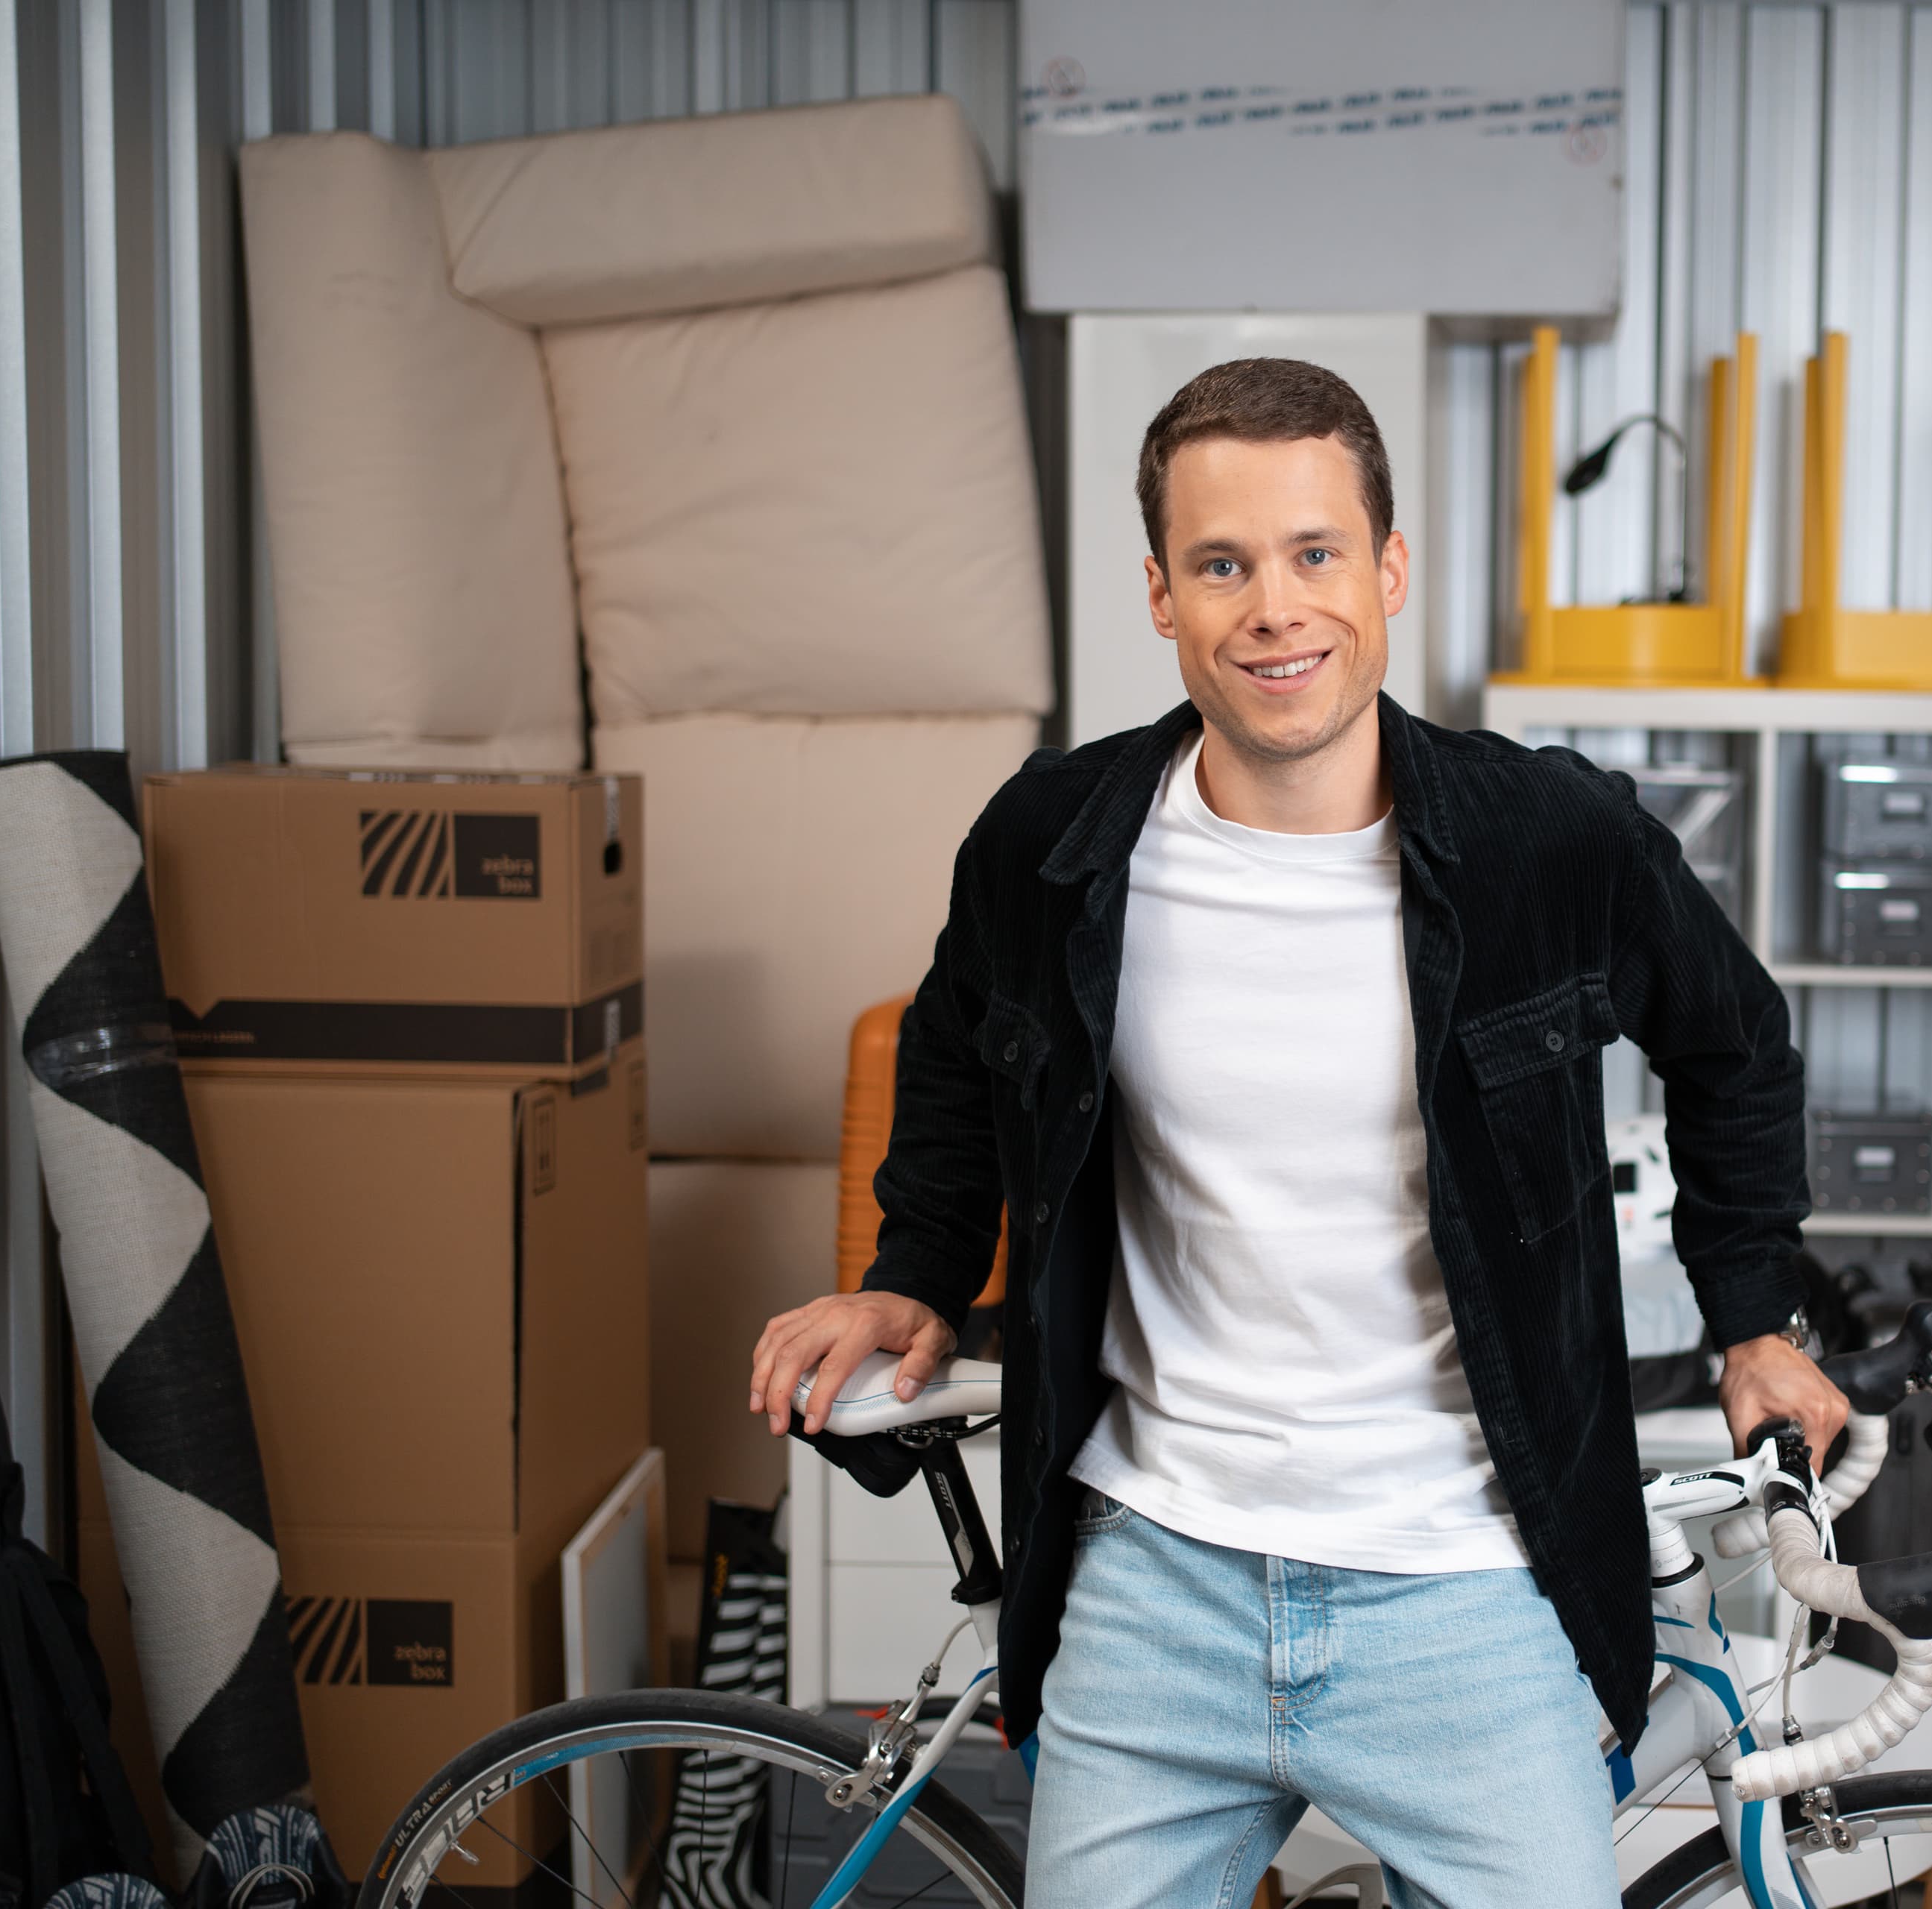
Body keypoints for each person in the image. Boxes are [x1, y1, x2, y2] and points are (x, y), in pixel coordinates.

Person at [748, 357, 1837, 1906]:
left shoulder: (1550, 842)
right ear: (1161, 593)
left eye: (1317, 553)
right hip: (1154, 1579)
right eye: (1224, 563)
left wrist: (1750, 1314)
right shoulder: (1054, 843)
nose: (1276, 606)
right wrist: (914, 1268)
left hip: (1467, 1582)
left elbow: (1737, 1041)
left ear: (1388, 568)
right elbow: (952, 1042)